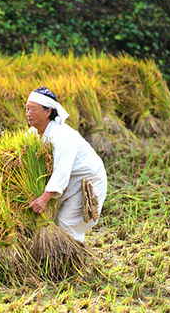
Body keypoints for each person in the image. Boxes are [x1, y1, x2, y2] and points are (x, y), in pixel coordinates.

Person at [26, 86, 108, 243]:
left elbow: (61, 170)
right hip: (70, 181)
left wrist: (44, 198)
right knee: (59, 221)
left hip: (88, 180)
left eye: (33, 110)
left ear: (48, 111)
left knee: (66, 223)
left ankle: (75, 262)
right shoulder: (33, 134)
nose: (28, 114)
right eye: (27, 109)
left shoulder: (61, 135)